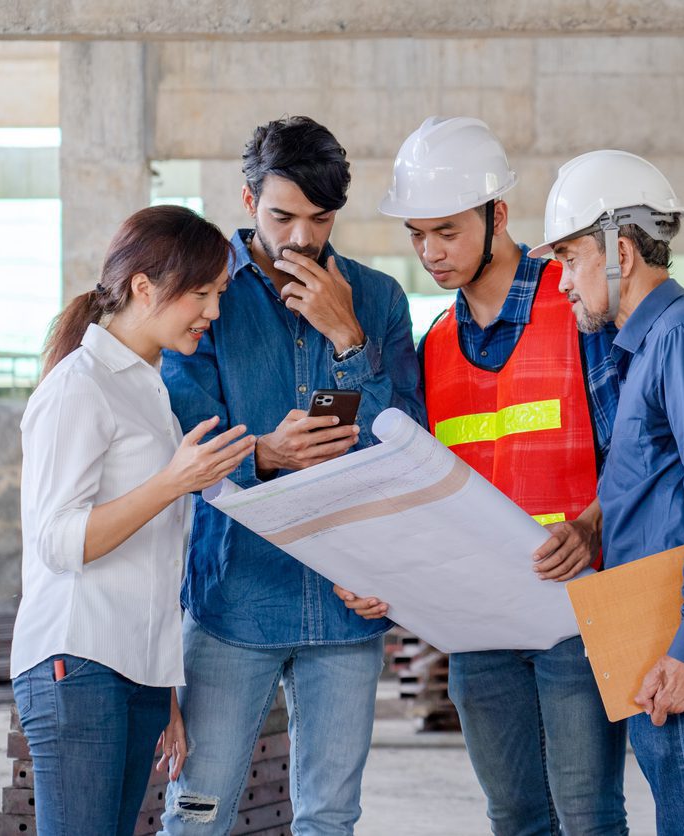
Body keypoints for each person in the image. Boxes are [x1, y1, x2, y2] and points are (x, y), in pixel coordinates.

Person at [337, 116, 627, 835]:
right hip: (477, 625)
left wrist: (589, 523)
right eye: (416, 235)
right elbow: (416, 485)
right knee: (516, 817)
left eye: (447, 231)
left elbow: (640, 449)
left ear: (498, 214)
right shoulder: (433, 344)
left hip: (578, 612)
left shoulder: (580, 305)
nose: (430, 253)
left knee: (588, 817)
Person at [158, 116, 424, 835]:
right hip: (235, 601)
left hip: (347, 606)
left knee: (331, 819)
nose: (302, 237)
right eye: (282, 216)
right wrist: (266, 454)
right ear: (248, 203)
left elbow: (400, 445)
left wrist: (349, 339)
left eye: (320, 218)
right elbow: (185, 431)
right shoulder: (206, 298)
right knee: (198, 814)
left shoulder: (378, 301)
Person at [533, 150, 684, 836]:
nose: (562, 284)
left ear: (619, 250)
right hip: (660, 634)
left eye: (570, 261)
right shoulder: (646, 352)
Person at [11, 205, 256, 836]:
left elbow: (152, 563)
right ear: (144, 287)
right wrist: (173, 481)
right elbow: (58, 541)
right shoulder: (78, 387)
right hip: (78, 661)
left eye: (219, 293)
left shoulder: (148, 390)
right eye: (201, 294)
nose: (214, 312)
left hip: (135, 672)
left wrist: (164, 687)